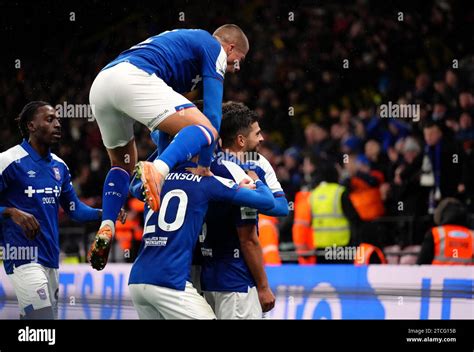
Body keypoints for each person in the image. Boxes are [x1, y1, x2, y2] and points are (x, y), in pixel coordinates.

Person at [88, 25, 249, 270]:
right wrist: (204, 165)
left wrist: (166, 158)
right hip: (131, 77)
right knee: (207, 130)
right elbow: (214, 116)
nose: (237, 68)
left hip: (102, 85)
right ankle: (157, 170)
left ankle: (107, 225)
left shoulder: (183, 62)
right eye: (239, 61)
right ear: (230, 47)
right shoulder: (213, 47)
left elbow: (163, 130)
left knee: (121, 164)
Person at [0, 102, 120, 319]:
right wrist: (10, 212)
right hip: (22, 257)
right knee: (41, 319)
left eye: (58, 120)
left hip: (50, 258)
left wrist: (105, 213)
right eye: (50, 119)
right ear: (31, 126)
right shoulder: (8, 160)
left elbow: (74, 210)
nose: (57, 124)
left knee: (39, 324)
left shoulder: (59, 167)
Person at [126, 155, 275, 319]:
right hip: (171, 280)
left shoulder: (155, 180)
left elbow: (132, 184)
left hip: (137, 279)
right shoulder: (206, 181)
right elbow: (268, 202)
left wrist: (163, 154)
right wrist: (256, 180)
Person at [200, 102, 285, 319]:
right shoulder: (240, 176)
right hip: (236, 282)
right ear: (240, 140)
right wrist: (264, 287)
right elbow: (248, 239)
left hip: (209, 277)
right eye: (257, 133)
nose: (262, 138)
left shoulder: (207, 167)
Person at [417, 198, 473, 265]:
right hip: (468, 275)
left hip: (438, 274)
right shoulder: (472, 235)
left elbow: (421, 264)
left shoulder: (435, 233)